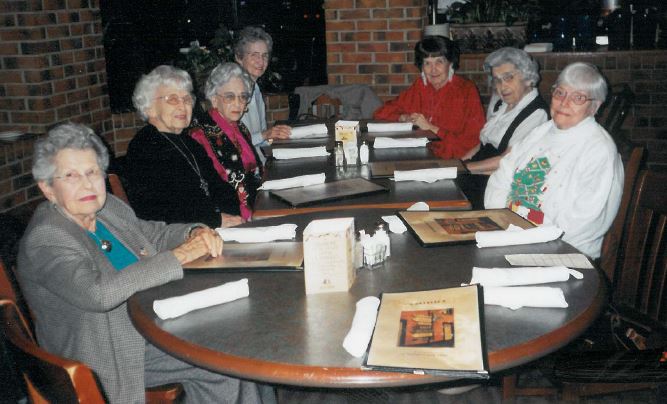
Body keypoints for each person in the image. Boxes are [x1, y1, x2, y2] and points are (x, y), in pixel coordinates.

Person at [16, 123, 275, 403]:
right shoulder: (47, 237)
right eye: (71, 176)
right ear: (48, 188)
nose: (87, 184)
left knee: (241, 338)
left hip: (149, 318)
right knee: (222, 362)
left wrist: (193, 232)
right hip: (109, 349)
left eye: (92, 172)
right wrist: (179, 255)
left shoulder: (106, 209)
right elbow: (99, 293)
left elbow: (155, 233)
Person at [485, 62, 624, 258]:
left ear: (595, 106)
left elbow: (581, 223)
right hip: (513, 237)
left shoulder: (599, 149)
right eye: (560, 93)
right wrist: (503, 221)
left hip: (563, 253)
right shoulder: (541, 131)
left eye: (578, 97)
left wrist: (521, 234)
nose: (564, 103)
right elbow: (501, 177)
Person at [124, 65, 243, 228]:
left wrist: (232, 217)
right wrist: (215, 220)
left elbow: (220, 188)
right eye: (173, 99)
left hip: (214, 229)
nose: (182, 106)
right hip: (181, 238)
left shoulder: (189, 143)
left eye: (187, 99)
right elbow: (155, 211)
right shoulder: (144, 147)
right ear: (149, 107)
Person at [459, 47, 549, 208]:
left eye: (509, 78)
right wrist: (457, 163)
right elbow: (482, 144)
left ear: (528, 78)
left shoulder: (536, 113)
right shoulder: (501, 104)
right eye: (497, 80)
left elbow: (505, 161)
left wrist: (462, 169)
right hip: (476, 174)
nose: (502, 86)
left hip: (493, 185)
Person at [373, 36, 485, 159]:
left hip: (452, 160)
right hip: (418, 155)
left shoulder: (466, 90)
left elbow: (472, 143)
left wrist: (431, 128)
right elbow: (381, 112)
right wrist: (403, 117)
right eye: (427, 63)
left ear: (450, 63)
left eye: (439, 62)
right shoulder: (420, 86)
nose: (433, 70)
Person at [190, 63, 263, 221]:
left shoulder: (241, 128)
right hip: (230, 218)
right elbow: (210, 191)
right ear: (215, 100)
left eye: (243, 96)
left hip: (258, 207)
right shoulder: (200, 135)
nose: (238, 103)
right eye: (230, 97)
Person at [234, 26, 291, 159]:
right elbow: (234, 143)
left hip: (261, 161)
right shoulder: (234, 92)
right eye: (254, 55)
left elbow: (261, 138)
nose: (261, 61)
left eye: (264, 56)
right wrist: (267, 135)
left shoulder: (256, 89)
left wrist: (274, 137)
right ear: (239, 57)